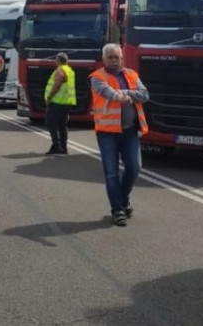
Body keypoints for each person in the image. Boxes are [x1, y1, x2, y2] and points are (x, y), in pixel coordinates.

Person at [89, 43, 149, 227]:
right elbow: (108, 93)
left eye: (117, 57)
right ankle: (117, 210)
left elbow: (144, 94)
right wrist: (124, 96)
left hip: (129, 131)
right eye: (110, 57)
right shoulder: (97, 77)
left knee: (135, 167)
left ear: (122, 58)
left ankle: (122, 200)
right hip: (107, 134)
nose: (114, 61)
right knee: (111, 173)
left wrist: (125, 93)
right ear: (103, 59)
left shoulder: (131, 74)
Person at [44, 52, 76, 155]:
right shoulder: (70, 70)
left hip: (57, 102)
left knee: (51, 122)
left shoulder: (60, 70)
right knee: (62, 125)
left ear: (58, 61)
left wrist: (49, 97)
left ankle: (56, 146)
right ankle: (64, 147)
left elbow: (57, 84)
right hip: (67, 102)